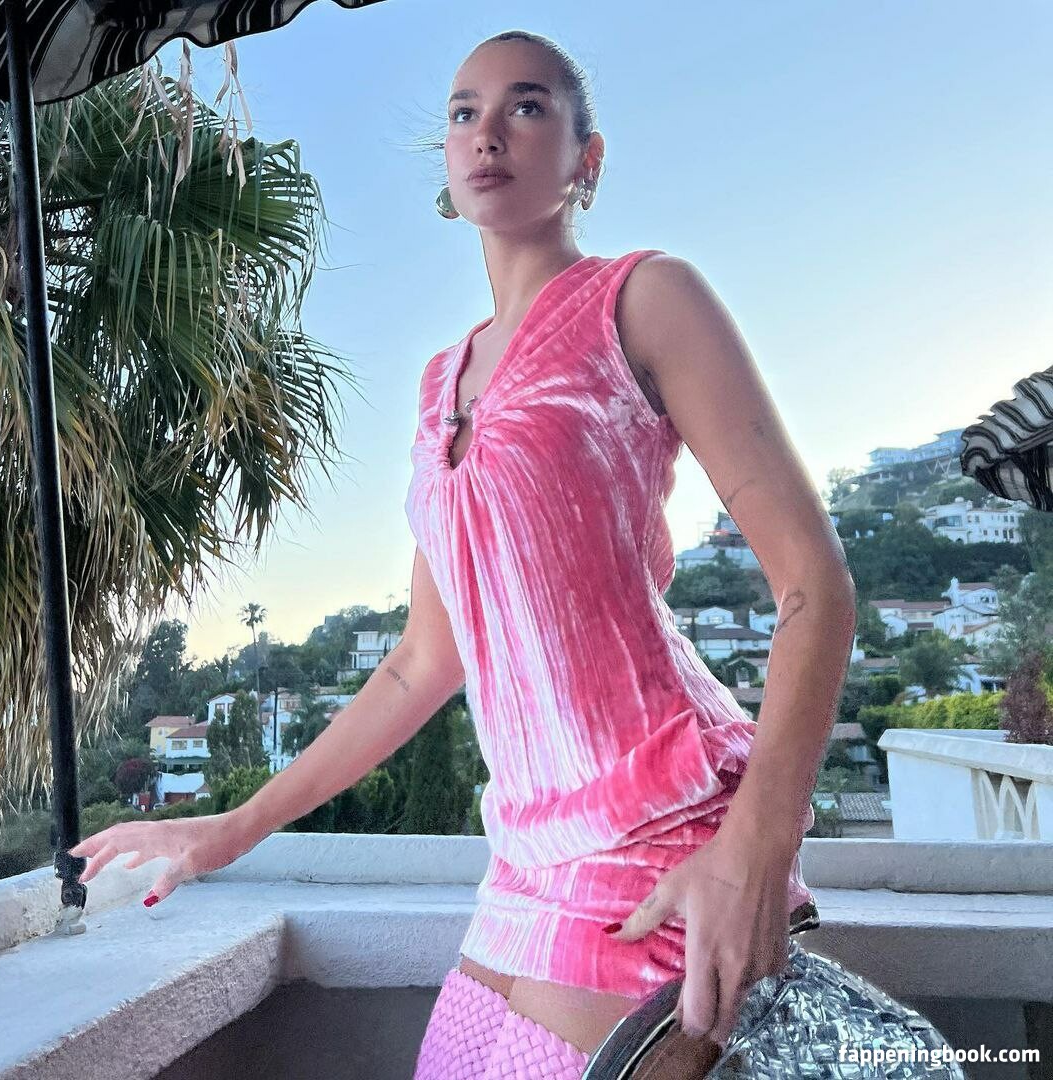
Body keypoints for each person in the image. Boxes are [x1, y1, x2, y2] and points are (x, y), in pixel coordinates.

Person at [70, 30, 855, 1080]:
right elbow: (419, 663)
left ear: (587, 159)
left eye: (527, 107)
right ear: (445, 160)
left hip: (662, 829)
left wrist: (757, 847)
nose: (487, 132)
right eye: (462, 112)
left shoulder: (645, 298)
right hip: (523, 859)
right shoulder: (442, 379)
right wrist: (232, 830)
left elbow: (814, 588)